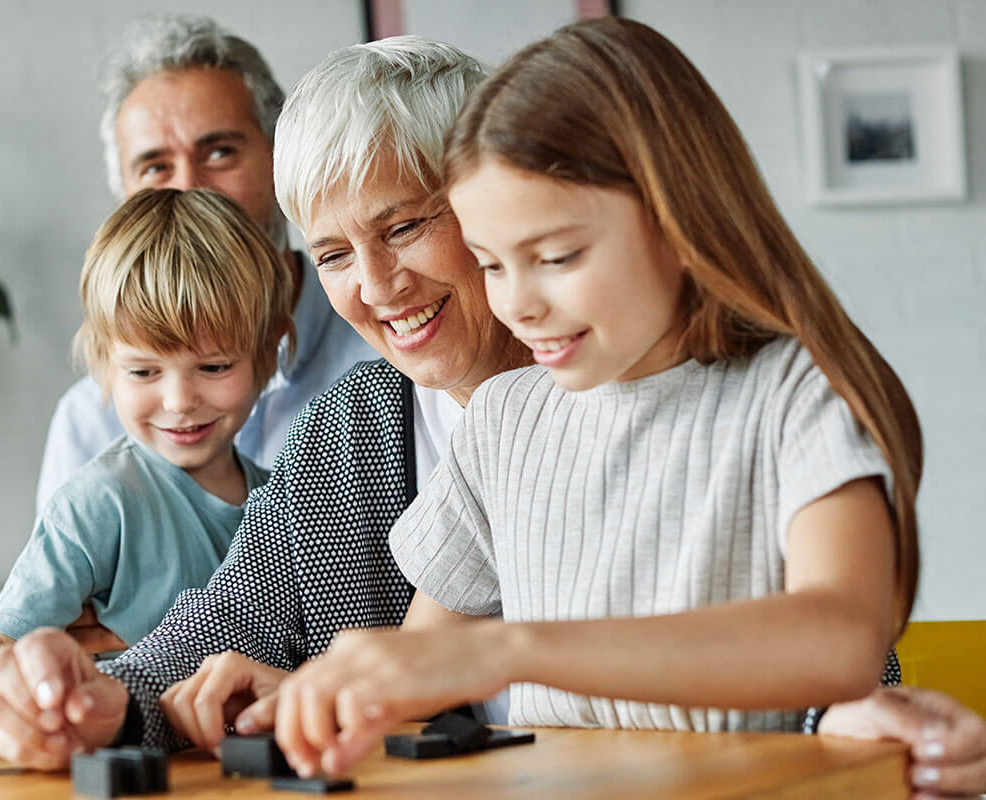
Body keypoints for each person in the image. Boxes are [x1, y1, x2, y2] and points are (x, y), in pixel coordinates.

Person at [0, 35, 986, 799]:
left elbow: (837, 642)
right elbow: (373, 651)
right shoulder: (452, 424)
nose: (376, 285)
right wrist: (148, 698)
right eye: (330, 253)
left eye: (409, 225)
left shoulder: (778, 391)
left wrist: (494, 651)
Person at [269, 15, 924, 775]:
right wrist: (303, 697)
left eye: (555, 256)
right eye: (490, 264)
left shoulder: (796, 394)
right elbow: (414, 669)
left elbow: (841, 640)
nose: (518, 305)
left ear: (679, 219)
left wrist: (510, 650)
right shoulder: (506, 420)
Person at [0, 188, 294, 766]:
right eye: (143, 370)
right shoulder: (101, 501)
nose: (179, 400)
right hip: (135, 768)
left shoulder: (293, 496)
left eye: (214, 366)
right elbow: (2, 640)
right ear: (102, 361)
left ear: (270, 351)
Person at [35, 14, 377, 511]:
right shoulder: (90, 423)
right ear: (124, 197)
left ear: (280, 160)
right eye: (155, 167)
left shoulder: (389, 347)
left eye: (219, 152)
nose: (189, 189)